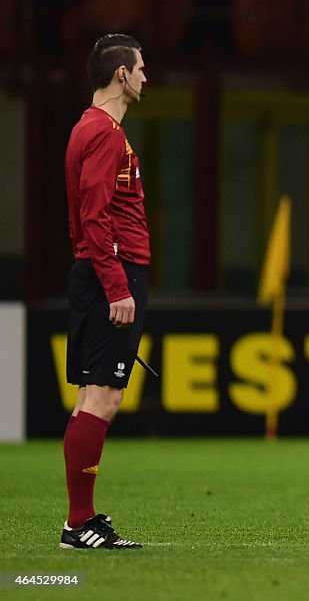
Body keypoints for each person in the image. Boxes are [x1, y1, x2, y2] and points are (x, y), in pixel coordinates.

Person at [60, 33, 149, 549]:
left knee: (91, 398)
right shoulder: (105, 133)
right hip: (110, 274)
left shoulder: (92, 128)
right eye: (140, 68)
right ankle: (79, 522)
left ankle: (81, 518)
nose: (145, 77)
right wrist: (118, 286)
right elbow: (95, 218)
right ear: (121, 74)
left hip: (100, 272)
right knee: (103, 397)